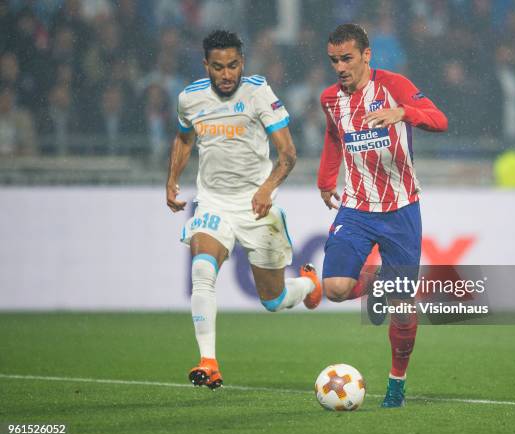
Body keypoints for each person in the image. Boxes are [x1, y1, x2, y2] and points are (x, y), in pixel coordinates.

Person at [166, 30, 322, 390]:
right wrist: (172, 179)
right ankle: (209, 361)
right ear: (206, 65)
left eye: (233, 65)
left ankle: (308, 284)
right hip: (213, 202)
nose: (226, 74)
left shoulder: (257, 93)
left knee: (274, 299)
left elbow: (288, 154)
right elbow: (185, 137)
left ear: (242, 63)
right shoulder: (189, 98)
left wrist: (267, 188)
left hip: (255, 205)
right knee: (202, 270)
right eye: (218, 67)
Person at [317, 24, 448, 408]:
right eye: (334, 60)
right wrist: (326, 180)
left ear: (366, 55)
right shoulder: (330, 99)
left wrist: (402, 113)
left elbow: (439, 120)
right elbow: (332, 135)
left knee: (404, 311)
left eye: (347, 58)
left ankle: (396, 384)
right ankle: (377, 285)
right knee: (336, 289)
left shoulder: (393, 85)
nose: (340, 67)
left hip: (401, 208)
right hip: (357, 206)